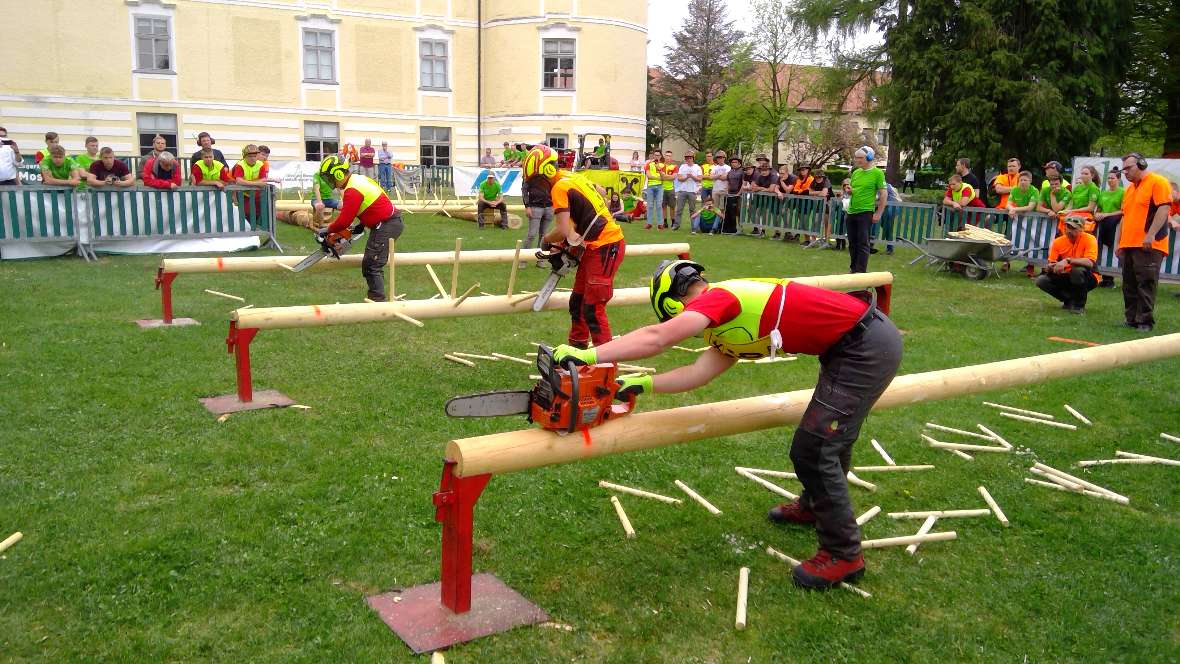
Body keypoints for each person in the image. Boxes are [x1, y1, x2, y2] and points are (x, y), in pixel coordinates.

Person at [549, 259, 902, 590]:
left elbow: (658, 337)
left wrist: (591, 354)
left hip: (865, 346)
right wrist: (646, 382)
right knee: (827, 439)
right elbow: (698, 373)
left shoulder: (720, 298)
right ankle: (814, 506)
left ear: (671, 303)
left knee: (816, 446)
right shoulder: (727, 323)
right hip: (850, 345)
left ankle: (844, 554)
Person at [528, 144, 626, 348]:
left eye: (537, 181)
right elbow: (601, 196)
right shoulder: (574, 178)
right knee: (578, 302)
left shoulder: (559, 187)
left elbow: (562, 229)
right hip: (595, 247)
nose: (538, 186)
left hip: (606, 247)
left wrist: (547, 240)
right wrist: (574, 237)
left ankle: (605, 367)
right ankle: (577, 351)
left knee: (593, 308)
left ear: (546, 172)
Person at [315, 155, 404, 302]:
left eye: (330, 178)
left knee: (372, 264)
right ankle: (377, 297)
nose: (330, 181)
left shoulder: (352, 190)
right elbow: (371, 204)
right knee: (372, 261)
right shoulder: (358, 180)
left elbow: (344, 221)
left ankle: (377, 299)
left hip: (387, 225)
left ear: (338, 174)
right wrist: (360, 226)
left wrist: (327, 230)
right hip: (388, 222)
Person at [1116, 153, 1171, 332]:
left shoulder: (1158, 182)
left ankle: (1145, 321)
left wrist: (1151, 235)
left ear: (1141, 164)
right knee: (1129, 283)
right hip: (1129, 244)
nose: (1125, 172)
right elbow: (1124, 217)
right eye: (1123, 169)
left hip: (1149, 244)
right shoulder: (1130, 189)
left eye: (1128, 168)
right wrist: (1119, 242)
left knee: (1146, 282)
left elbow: (1164, 208)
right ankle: (1131, 318)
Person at [1036, 217, 1099, 313]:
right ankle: (1069, 300)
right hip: (1066, 275)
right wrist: (1050, 268)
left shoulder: (1090, 239)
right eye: (1067, 227)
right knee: (1041, 280)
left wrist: (1068, 260)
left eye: (1074, 228)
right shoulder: (1058, 242)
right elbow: (1051, 262)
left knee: (1077, 270)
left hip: (1088, 276)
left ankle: (1079, 306)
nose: (1069, 231)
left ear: (1082, 229)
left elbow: (1090, 263)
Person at [846, 147, 887, 273]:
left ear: (869, 157)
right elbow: (853, 190)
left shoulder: (877, 173)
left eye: (860, 158)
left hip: (865, 212)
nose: (857, 160)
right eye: (856, 157)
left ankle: (860, 271)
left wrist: (878, 213)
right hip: (851, 211)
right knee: (852, 242)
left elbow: (883, 194)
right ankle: (853, 269)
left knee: (863, 243)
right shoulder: (856, 173)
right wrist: (849, 191)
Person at [1093, 168, 1125, 288]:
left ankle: (1115, 278)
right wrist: (1097, 214)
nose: (1110, 180)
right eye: (1109, 178)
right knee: (1101, 250)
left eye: (1112, 178)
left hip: (1115, 225)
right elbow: (1099, 208)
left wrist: (1107, 215)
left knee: (1113, 250)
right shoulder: (1103, 193)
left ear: (1119, 179)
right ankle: (1102, 277)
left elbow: (1123, 210)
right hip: (1102, 225)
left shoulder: (1123, 192)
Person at [232, 144, 270, 221]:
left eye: (254, 156)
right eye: (250, 156)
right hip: (242, 193)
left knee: (258, 212)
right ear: (244, 156)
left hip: (254, 193)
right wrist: (257, 183)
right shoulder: (240, 165)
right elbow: (239, 181)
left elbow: (263, 180)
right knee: (245, 214)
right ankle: (246, 230)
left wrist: (247, 182)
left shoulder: (261, 164)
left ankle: (253, 230)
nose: (252, 158)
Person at [522, 167, 555, 251]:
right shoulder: (531, 175)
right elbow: (524, 190)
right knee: (532, 235)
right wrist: (527, 206)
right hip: (535, 207)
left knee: (544, 236)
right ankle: (523, 260)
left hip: (549, 207)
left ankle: (540, 260)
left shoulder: (552, 175)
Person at [746, 155, 779, 236]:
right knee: (750, 210)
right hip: (759, 198)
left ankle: (767, 232)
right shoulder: (760, 176)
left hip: (772, 199)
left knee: (770, 215)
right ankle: (758, 229)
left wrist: (760, 188)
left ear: (769, 169)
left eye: (765, 170)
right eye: (762, 170)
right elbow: (753, 188)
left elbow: (771, 189)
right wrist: (763, 188)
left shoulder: (774, 175)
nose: (763, 171)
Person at [1061, 166, 1100, 233]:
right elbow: (1071, 204)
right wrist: (1065, 211)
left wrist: (1072, 211)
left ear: (1092, 176)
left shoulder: (1093, 188)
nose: (1083, 176)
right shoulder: (1077, 187)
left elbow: (1090, 208)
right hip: (1073, 216)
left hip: (1085, 218)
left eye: (1086, 174)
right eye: (1082, 173)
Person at [673, 151, 702, 231]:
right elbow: (679, 178)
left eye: (690, 158)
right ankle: (676, 225)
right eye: (687, 158)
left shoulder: (697, 167)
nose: (689, 159)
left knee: (692, 210)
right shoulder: (682, 166)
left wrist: (692, 176)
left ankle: (694, 227)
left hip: (692, 191)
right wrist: (686, 177)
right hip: (682, 191)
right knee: (679, 209)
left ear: (693, 158)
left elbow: (700, 179)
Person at [642, 151, 665, 230]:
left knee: (659, 205)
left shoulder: (662, 165)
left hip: (659, 186)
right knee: (650, 205)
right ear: (653, 155)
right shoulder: (649, 164)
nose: (656, 156)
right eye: (655, 155)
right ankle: (649, 223)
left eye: (658, 155)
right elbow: (648, 176)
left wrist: (659, 171)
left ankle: (660, 224)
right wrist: (658, 177)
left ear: (660, 156)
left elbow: (663, 177)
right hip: (651, 186)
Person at [723, 156, 744, 234]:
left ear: (739, 163)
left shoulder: (742, 171)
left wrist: (739, 193)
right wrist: (727, 191)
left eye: (735, 162)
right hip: (730, 194)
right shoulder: (730, 171)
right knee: (730, 212)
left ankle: (740, 228)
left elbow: (743, 183)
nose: (733, 163)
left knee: (739, 211)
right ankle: (730, 228)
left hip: (739, 194)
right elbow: (728, 182)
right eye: (732, 162)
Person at [661, 150, 677, 228]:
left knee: (672, 207)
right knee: (663, 206)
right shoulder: (661, 166)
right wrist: (667, 177)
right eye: (667, 155)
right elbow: (661, 177)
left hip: (671, 189)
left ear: (671, 157)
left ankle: (673, 222)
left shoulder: (674, 167)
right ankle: (665, 222)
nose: (668, 157)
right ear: (664, 157)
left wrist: (665, 176)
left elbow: (673, 177)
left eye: (669, 156)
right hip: (662, 189)